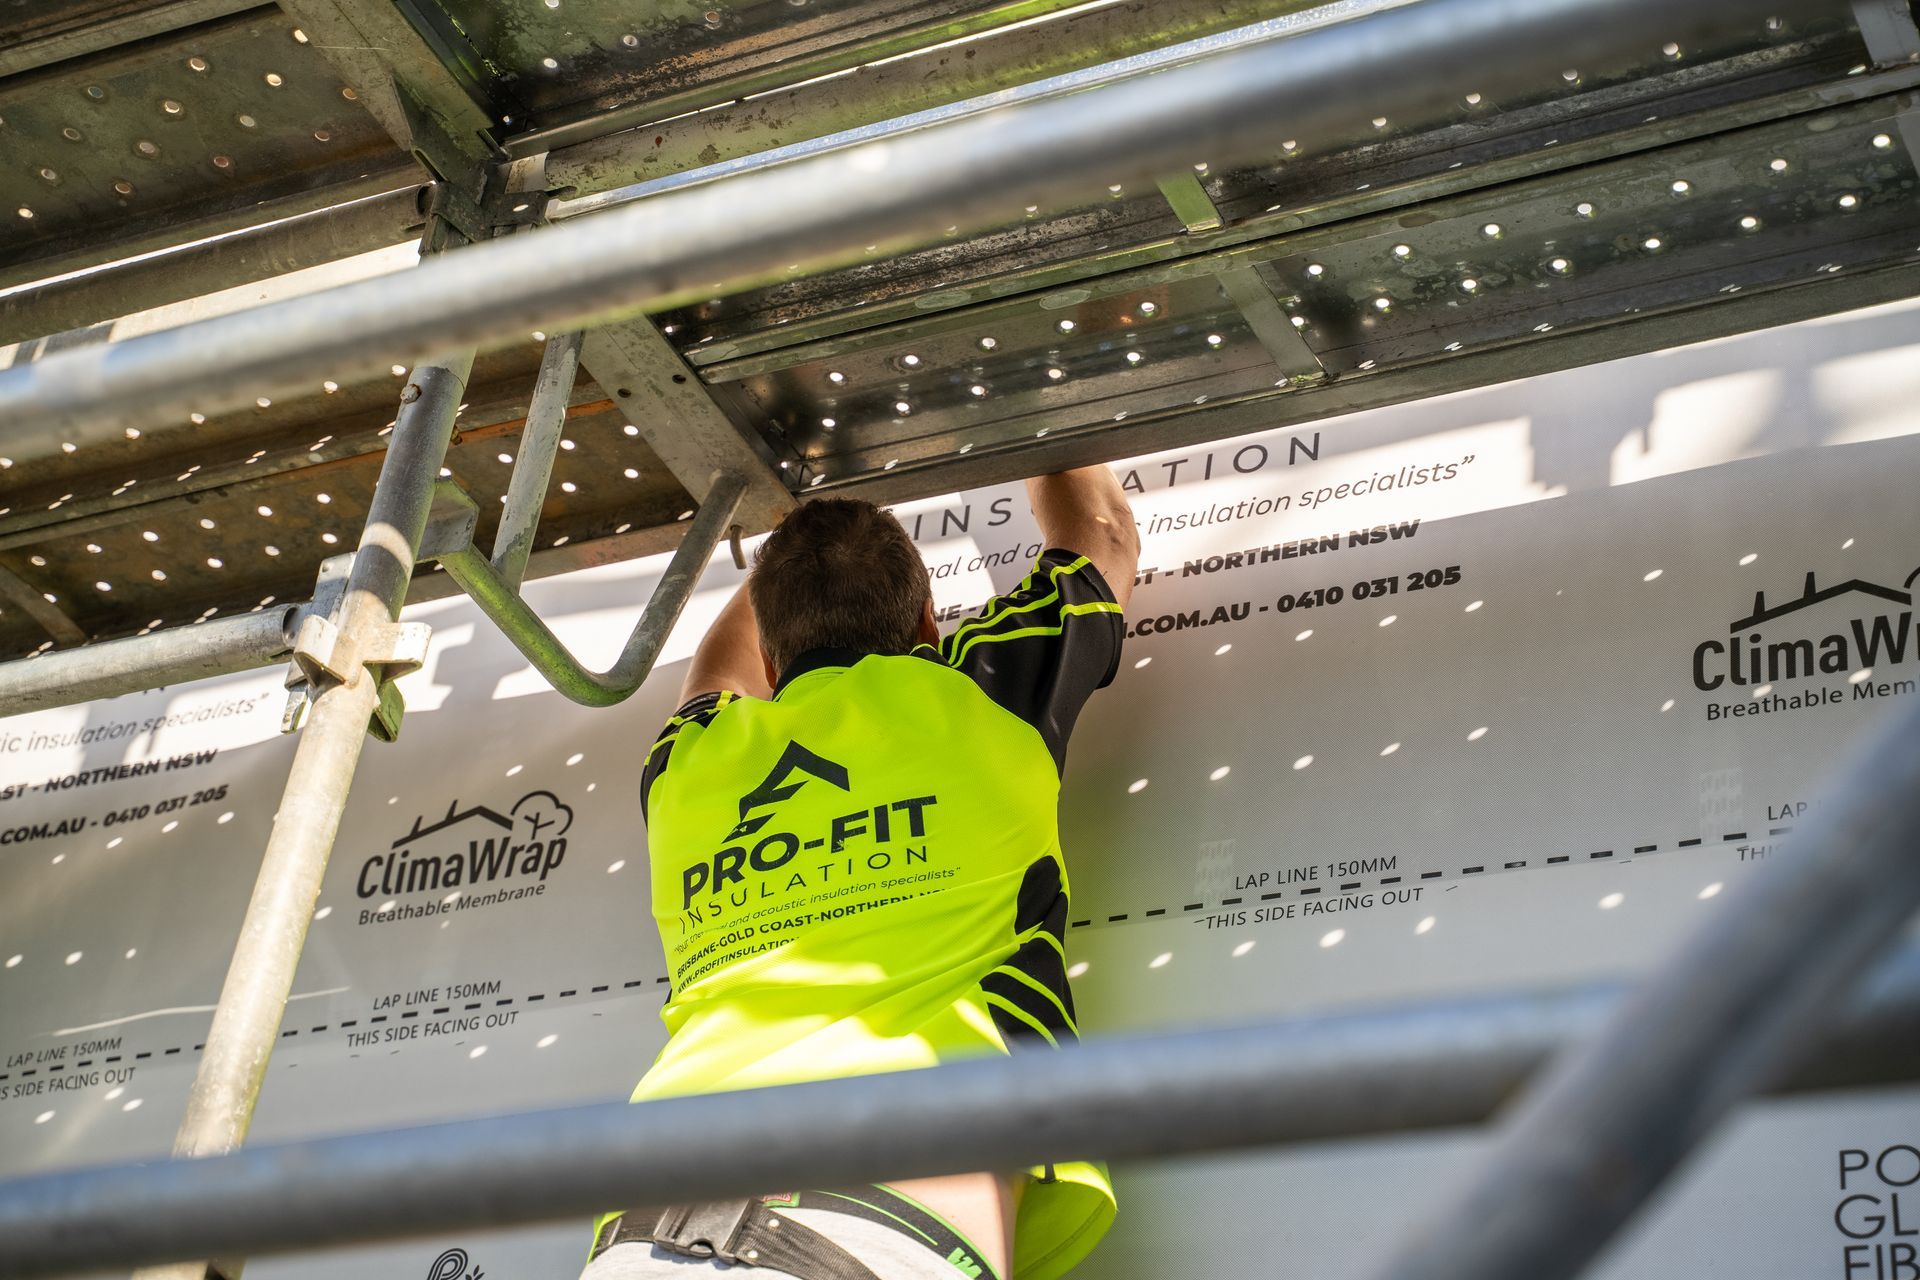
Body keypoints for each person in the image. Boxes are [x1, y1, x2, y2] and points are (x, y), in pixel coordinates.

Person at [583, 466, 1139, 1280]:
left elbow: (714, 671)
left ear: (772, 660)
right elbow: (1103, 536)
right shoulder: (978, 692)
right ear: (927, 620)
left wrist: (796, 532)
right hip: (876, 1215)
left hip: (646, 1215)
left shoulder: (688, 764)